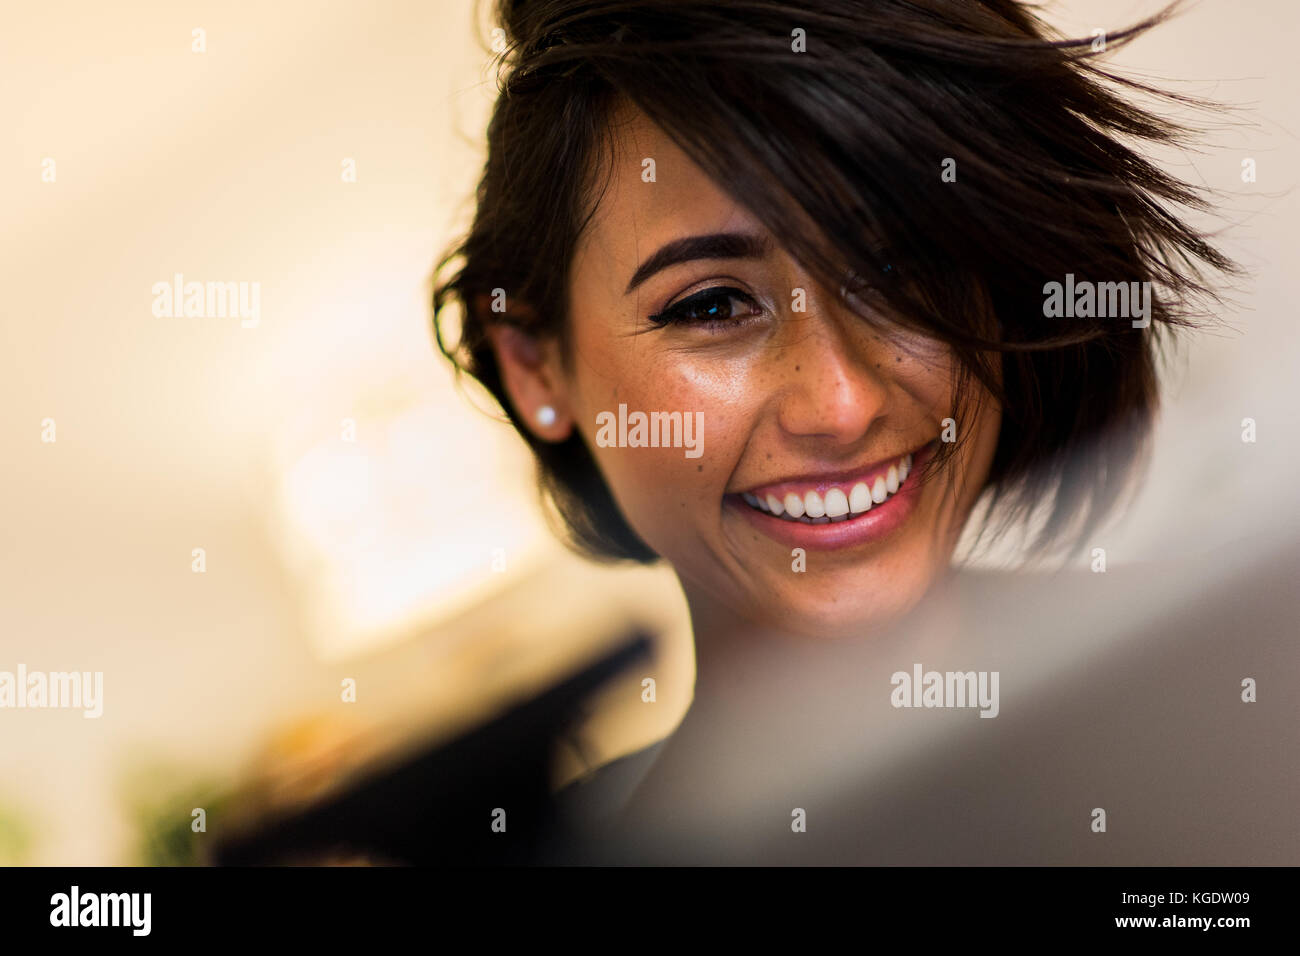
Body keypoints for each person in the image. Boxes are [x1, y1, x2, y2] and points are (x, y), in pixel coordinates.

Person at [431, 0, 1239, 857]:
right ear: (535, 368)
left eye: (903, 270)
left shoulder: (1241, 678)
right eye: (712, 305)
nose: (842, 402)